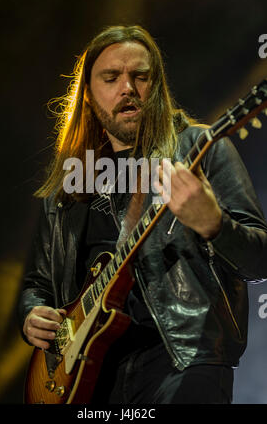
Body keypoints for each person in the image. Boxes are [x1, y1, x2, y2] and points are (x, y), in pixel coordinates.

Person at [18, 25, 267, 404]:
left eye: (140, 76)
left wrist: (213, 225)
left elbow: (260, 260)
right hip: (88, 375)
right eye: (111, 77)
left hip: (182, 361)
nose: (128, 88)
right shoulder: (67, 187)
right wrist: (31, 314)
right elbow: (38, 282)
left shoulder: (198, 149)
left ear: (157, 86)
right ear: (88, 93)